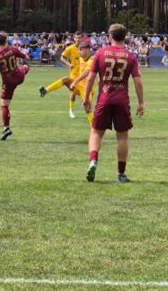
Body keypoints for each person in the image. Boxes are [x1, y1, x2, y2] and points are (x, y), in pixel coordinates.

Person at [82, 23, 145, 183]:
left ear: (110, 36)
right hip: (122, 100)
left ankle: (93, 161)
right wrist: (141, 103)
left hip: (104, 98)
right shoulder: (130, 56)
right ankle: (121, 174)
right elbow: (138, 81)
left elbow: (90, 78)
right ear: (125, 37)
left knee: (96, 132)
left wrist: (86, 97)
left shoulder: (100, 53)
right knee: (122, 136)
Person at [39, 36, 82, 118]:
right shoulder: (70, 48)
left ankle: (45, 91)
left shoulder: (84, 48)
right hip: (73, 74)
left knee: (84, 97)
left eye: (79, 38)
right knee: (72, 91)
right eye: (76, 38)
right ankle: (71, 111)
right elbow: (62, 58)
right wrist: (69, 64)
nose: (78, 39)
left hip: (83, 76)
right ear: (74, 39)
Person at [69, 40, 95, 127]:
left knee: (87, 107)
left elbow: (87, 72)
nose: (79, 52)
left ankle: (94, 127)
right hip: (81, 85)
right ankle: (45, 91)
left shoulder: (92, 60)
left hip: (89, 88)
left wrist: (75, 81)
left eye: (81, 50)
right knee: (65, 80)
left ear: (87, 50)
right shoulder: (81, 58)